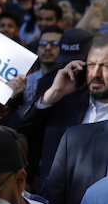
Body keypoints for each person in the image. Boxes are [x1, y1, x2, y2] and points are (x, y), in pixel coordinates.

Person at [10, 29, 101, 191]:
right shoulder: (54, 86)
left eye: (84, 64)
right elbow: (17, 131)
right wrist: (52, 96)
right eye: (65, 63)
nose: (74, 70)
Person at [23, 26, 63, 103]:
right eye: (43, 43)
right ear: (37, 49)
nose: (48, 48)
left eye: (54, 44)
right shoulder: (27, 81)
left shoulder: (69, 80)